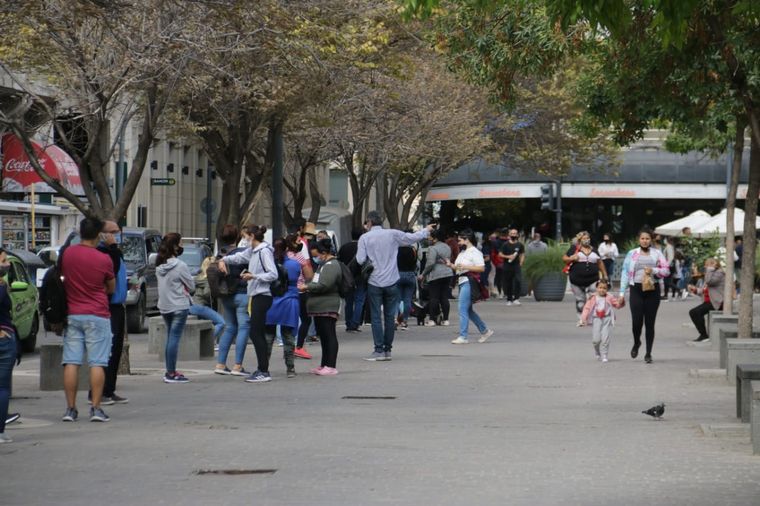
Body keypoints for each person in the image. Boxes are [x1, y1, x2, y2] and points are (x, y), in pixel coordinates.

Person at [356, 211, 434, 361]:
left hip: (374, 281)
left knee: (376, 317)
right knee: (390, 316)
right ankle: (387, 350)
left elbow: (360, 260)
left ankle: (378, 350)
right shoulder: (392, 234)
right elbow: (412, 238)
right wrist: (426, 230)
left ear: (369, 222)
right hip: (392, 280)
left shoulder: (364, 238)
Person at [60, 217, 115, 422]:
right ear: (98, 234)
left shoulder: (67, 254)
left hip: (73, 313)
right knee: (97, 362)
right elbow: (111, 287)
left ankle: (70, 409)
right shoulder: (103, 259)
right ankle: (96, 408)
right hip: (97, 314)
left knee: (71, 361)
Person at [219, 225, 278, 383]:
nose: (244, 240)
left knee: (255, 331)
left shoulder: (264, 251)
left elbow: (272, 274)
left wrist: (253, 276)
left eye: (245, 236)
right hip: (256, 294)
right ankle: (262, 369)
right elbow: (239, 258)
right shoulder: (253, 251)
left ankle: (263, 370)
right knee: (255, 331)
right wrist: (223, 259)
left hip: (262, 294)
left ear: (252, 236)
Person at [618, 228, 670, 364]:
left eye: (647, 238)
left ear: (651, 240)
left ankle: (648, 353)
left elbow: (666, 271)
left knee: (650, 323)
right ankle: (637, 342)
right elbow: (624, 272)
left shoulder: (657, 254)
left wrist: (654, 270)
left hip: (653, 290)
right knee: (636, 322)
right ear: (638, 239)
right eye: (642, 238)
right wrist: (622, 293)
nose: (645, 241)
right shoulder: (632, 253)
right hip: (636, 289)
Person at [98, 221, 129, 405]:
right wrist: (113, 248)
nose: (117, 235)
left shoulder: (115, 251)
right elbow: (112, 270)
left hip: (118, 304)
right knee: (107, 350)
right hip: (108, 305)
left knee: (116, 349)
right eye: (114, 232)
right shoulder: (105, 252)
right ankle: (100, 391)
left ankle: (109, 389)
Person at [299, 239, 342, 375]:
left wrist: (307, 286)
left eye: (317, 255)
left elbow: (325, 284)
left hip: (327, 306)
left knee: (329, 335)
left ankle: (331, 365)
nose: (315, 258)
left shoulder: (331, 265)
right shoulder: (323, 265)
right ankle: (324, 364)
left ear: (324, 253)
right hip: (319, 307)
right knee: (323, 336)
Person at [156, 233, 194, 383]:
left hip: (165, 306)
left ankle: (169, 371)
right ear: (175, 246)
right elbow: (191, 286)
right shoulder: (180, 266)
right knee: (174, 339)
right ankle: (171, 373)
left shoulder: (159, 265)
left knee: (170, 338)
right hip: (179, 305)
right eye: (181, 243)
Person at [215, 225, 253, 376]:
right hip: (242, 294)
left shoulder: (219, 255)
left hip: (226, 295)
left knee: (230, 327)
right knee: (244, 327)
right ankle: (238, 366)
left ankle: (220, 364)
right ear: (237, 237)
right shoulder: (242, 253)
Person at [446, 229, 494, 344]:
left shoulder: (474, 252)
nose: (458, 243)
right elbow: (459, 267)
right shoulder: (463, 253)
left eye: (460, 240)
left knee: (462, 308)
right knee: (467, 309)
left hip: (469, 280)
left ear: (467, 240)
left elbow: (481, 268)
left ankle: (463, 336)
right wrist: (451, 265)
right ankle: (484, 330)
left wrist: (465, 266)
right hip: (462, 280)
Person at [264, 237, 302, 378]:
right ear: (287, 248)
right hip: (290, 301)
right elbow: (297, 277)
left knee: (268, 336)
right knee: (288, 336)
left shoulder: (270, 264)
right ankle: (290, 368)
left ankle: (264, 367)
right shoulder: (294, 264)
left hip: (271, 301)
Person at [563, 231, 608, 326]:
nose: (586, 240)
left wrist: (605, 275)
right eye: (584, 238)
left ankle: (593, 317)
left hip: (593, 280)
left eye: (588, 238)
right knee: (580, 301)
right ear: (580, 240)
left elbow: (600, 263)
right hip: (576, 280)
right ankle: (581, 319)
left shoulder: (594, 250)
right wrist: (572, 258)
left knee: (594, 298)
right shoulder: (574, 249)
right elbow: (564, 258)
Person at [580, 279, 624, 363]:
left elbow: (617, 305)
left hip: (606, 319)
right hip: (596, 319)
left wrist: (621, 302)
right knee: (596, 340)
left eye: (604, 288)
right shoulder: (592, 298)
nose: (602, 290)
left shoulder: (609, 297)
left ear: (607, 289)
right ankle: (597, 351)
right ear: (596, 288)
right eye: (600, 287)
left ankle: (604, 355)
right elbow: (586, 308)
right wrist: (583, 318)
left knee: (605, 337)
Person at [0, 250, 18, 441]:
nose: (7, 265)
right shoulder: (1, 286)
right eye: (4, 261)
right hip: (4, 340)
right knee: (2, 388)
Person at [687, 258, 725, 342]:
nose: (705, 267)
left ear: (713, 265)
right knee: (694, 312)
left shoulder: (719, 273)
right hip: (709, 301)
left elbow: (709, 282)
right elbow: (704, 290)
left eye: (707, 265)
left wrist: (710, 270)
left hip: (717, 302)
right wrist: (695, 290)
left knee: (695, 312)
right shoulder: (710, 273)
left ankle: (704, 335)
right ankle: (703, 334)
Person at [420, 228, 452, 327]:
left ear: (435, 238)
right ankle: (446, 320)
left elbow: (430, 263)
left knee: (434, 297)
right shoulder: (447, 247)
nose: (428, 238)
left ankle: (432, 320)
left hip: (436, 275)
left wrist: (423, 274)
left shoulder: (432, 248)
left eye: (430, 236)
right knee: (444, 297)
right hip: (447, 273)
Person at [338, 228, 364, 332]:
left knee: (348, 302)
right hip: (360, 277)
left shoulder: (344, 247)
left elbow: (339, 261)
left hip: (347, 277)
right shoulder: (362, 247)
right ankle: (355, 323)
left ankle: (348, 323)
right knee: (359, 301)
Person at [499, 228, 525, 306]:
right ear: (509, 235)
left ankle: (516, 298)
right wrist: (508, 256)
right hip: (507, 265)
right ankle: (509, 299)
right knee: (508, 282)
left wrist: (521, 262)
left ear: (517, 235)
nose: (513, 235)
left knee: (518, 280)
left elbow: (522, 254)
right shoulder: (505, 244)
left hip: (516, 265)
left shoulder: (520, 245)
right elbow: (500, 254)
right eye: (512, 233)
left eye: (515, 233)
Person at [396, 240, 418, 330]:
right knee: (407, 299)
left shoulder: (396, 250)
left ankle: (395, 319)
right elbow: (416, 262)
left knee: (396, 300)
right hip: (410, 274)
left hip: (398, 274)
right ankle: (404, 322)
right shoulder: (413, 250)